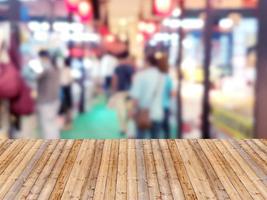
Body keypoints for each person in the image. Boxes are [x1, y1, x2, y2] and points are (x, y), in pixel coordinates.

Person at [130, 53, 165, 139]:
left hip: (142, 113)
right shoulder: (162, 77)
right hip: (157, 113)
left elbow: (135, 97)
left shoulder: (140, 76)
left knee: (140, 143)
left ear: (148, 62)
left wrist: (132, 110)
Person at [108, 51, 135, 136]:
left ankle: (123, 128)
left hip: (119, 92)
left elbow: (114, 80)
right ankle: (129, 129)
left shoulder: (117, 68)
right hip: (129, 92)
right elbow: (133, 79)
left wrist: (113, 91)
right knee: (129, 110)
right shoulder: (131, 68)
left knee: (120, 111)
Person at [36, 50, 60, 139]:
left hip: (46, 101)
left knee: (47, 127)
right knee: (52, 125)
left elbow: (36, 77)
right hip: (54, 100)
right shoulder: (55, 67)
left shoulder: (46, 68)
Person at [157, 53, 173, 139]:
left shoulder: (154, 76)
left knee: (156, 130)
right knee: (166, 129)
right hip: (165, 105)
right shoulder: (167, 78)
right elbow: (171, 93)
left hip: (155, 106)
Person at [59, 57, 73, 130]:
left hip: (63, 88)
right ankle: (68, 122)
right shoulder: (68, 70)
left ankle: (66, 122)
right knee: (68, 106)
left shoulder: (62, 69)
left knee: (64, 106)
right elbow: (71, 80)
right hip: (66, 88)